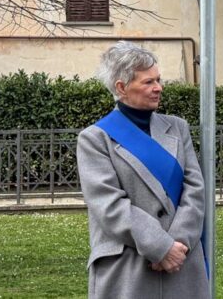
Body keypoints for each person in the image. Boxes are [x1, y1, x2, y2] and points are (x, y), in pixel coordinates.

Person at [77, 42, 208, 299]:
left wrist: (176, 245)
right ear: (121, 88)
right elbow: (109, 205)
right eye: (148, 82)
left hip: (181, 260)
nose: (158, 88)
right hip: (128, 266)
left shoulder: (178, 128)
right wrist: (160, 247)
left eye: (159, 80)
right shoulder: (94, 139)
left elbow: (195, 189)